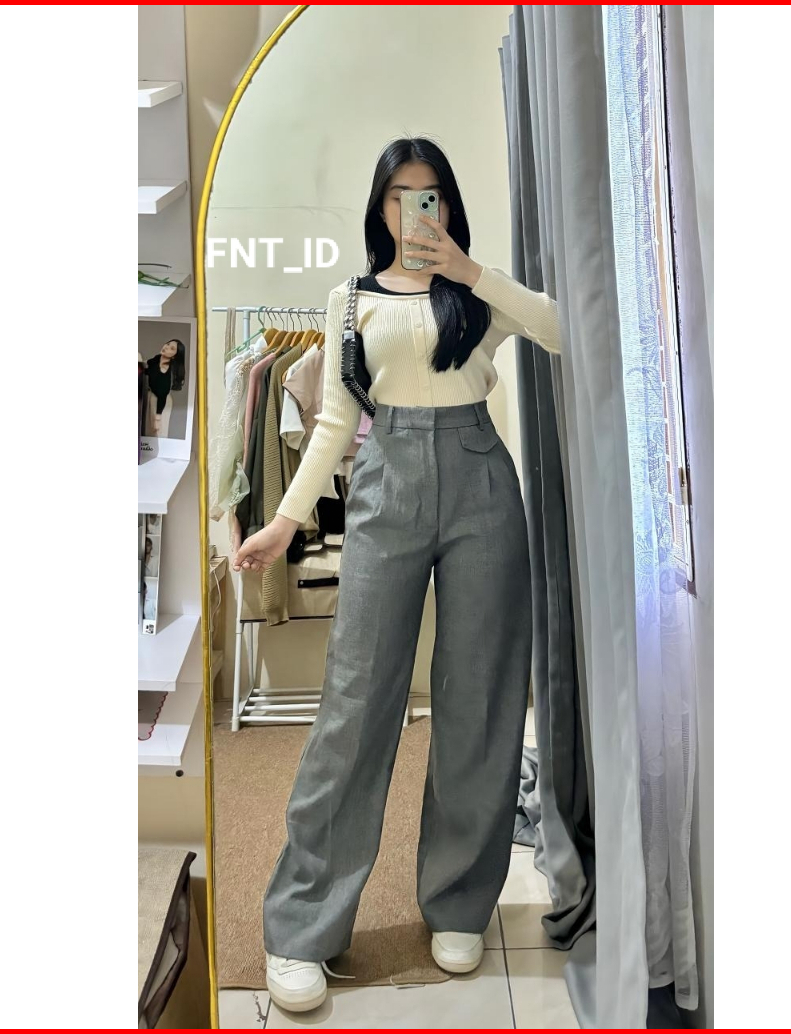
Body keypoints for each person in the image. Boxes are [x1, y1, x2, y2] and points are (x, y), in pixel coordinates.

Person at [233, 137, 561, 1014]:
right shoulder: (350, 301)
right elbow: (335, 423)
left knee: (480, 697)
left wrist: (470, 269)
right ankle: (302, 926)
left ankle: (458, 904)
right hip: (387, 481)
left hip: (482, 479)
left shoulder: (475, 293)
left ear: (448, 204)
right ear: (380, 209)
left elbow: (562, 331)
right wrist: (284, 521)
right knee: (356, 701)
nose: (418, 210)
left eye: (432, 195)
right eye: (401, 196)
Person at [144, 339, 186, 437]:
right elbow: (149, 369)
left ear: (174, 356)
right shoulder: (157, 359)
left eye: (172, 348)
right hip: (151, 395)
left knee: (158, 431)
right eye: (167, 344)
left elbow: (162, 395)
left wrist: (158, 417)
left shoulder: (166, 371)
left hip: (162, 401)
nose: (166, 347)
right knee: (148, 430)